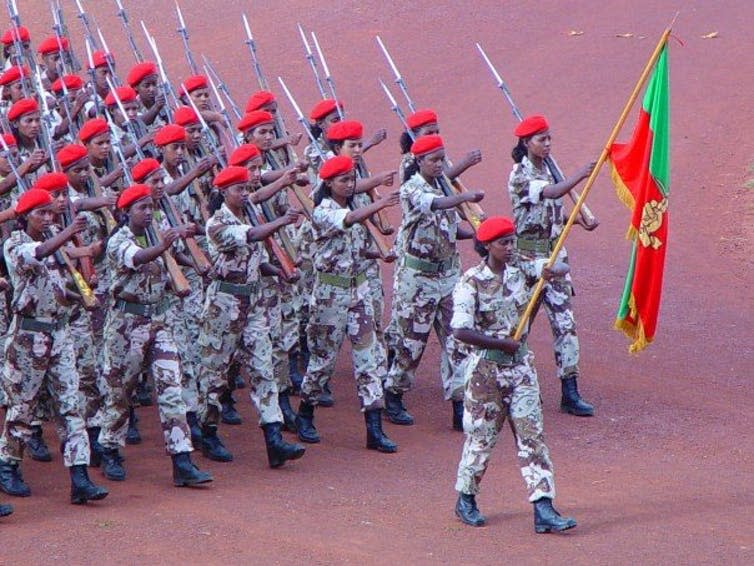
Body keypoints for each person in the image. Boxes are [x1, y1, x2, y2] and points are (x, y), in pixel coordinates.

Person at [451, 216, 576, 533]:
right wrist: (499, 342)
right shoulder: (471, 282)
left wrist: (551, 271)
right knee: (481, 438)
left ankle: (543, 507)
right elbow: (461, 331)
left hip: (520, 369)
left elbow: (556, 266)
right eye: (503, 243)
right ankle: (466, 497)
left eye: (511, 241)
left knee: (532, 436)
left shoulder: (521, 267)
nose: (510, 247)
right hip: (486, 372)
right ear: (487, 246)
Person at [96, 184, 212, 487]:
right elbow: (138, 257)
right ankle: (109, 446)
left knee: (172, 389)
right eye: (141, 208)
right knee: (120, 392)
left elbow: (170, 259)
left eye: (151, 207)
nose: (148, 213)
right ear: (126, 212)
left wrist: (196, 264)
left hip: (159, 322)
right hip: (126, 325)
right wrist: (163, 245)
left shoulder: (156, 233)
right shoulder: (118, 241)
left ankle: (182, 460)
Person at [0, 188, 108, 504]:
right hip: (27, 338)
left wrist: (82, 298)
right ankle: (8, 465)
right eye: (41, 213)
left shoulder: (56, 247)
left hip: (58, 335)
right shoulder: (15, 243)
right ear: (25, 217)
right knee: (22, 408)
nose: (47, 218)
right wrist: (68, 234)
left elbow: (57, 288)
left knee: (70, 405)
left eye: (50, 213)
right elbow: (38, 253)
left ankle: (80, 477)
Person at [197, 165, 306, 467]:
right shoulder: (217, 224)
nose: (244, 194)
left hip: (253, 303)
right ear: (223, 193)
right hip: (223, 306)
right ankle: (207, 431)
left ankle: (274, 439)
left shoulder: (250, 214)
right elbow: (252, 237)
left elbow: (255, 262)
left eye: (246, 189)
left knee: (263, 368)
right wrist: (282, 221)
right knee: (214, 375)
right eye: (238, 190)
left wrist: (282, 272)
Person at [294, 155, 399, 453]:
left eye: (352, 179)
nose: (350, 184)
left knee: (370, 359)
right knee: (323, 359)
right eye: (344, 180)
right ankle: (306, 412)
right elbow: (348, 221)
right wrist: (380, 203)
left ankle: (374, 429)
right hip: (330, 294)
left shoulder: (355, 209)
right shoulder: (324, 211)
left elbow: (360, 249)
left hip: (359, 291)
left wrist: (380, 254)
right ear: (328, 184)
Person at [383, 135, 483, 426]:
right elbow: (437, 205)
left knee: (458, 341)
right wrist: (463, 197)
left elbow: (450, 229)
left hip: (449, 273)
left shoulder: (443, 184)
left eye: (442, 159)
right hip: (419, 278)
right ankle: (394, 394)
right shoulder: (413, 188)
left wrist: (478, 232)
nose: (440, 165)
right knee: (411, 343)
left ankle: (459, 405)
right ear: (419, 161)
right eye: (434, 160)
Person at [508, 115, 596, 416]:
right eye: (541, 139)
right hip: (527, 261)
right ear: (526, 143)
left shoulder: (550, 170)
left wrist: (578, 220)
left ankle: (569, 391)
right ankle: (510, 385)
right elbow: (551, 193)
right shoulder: (520, 175)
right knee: (519, 325)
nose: (547, 144)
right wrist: (580, 175)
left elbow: (553, 212)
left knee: (565, 325)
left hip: (555, 256)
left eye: (549, 139)